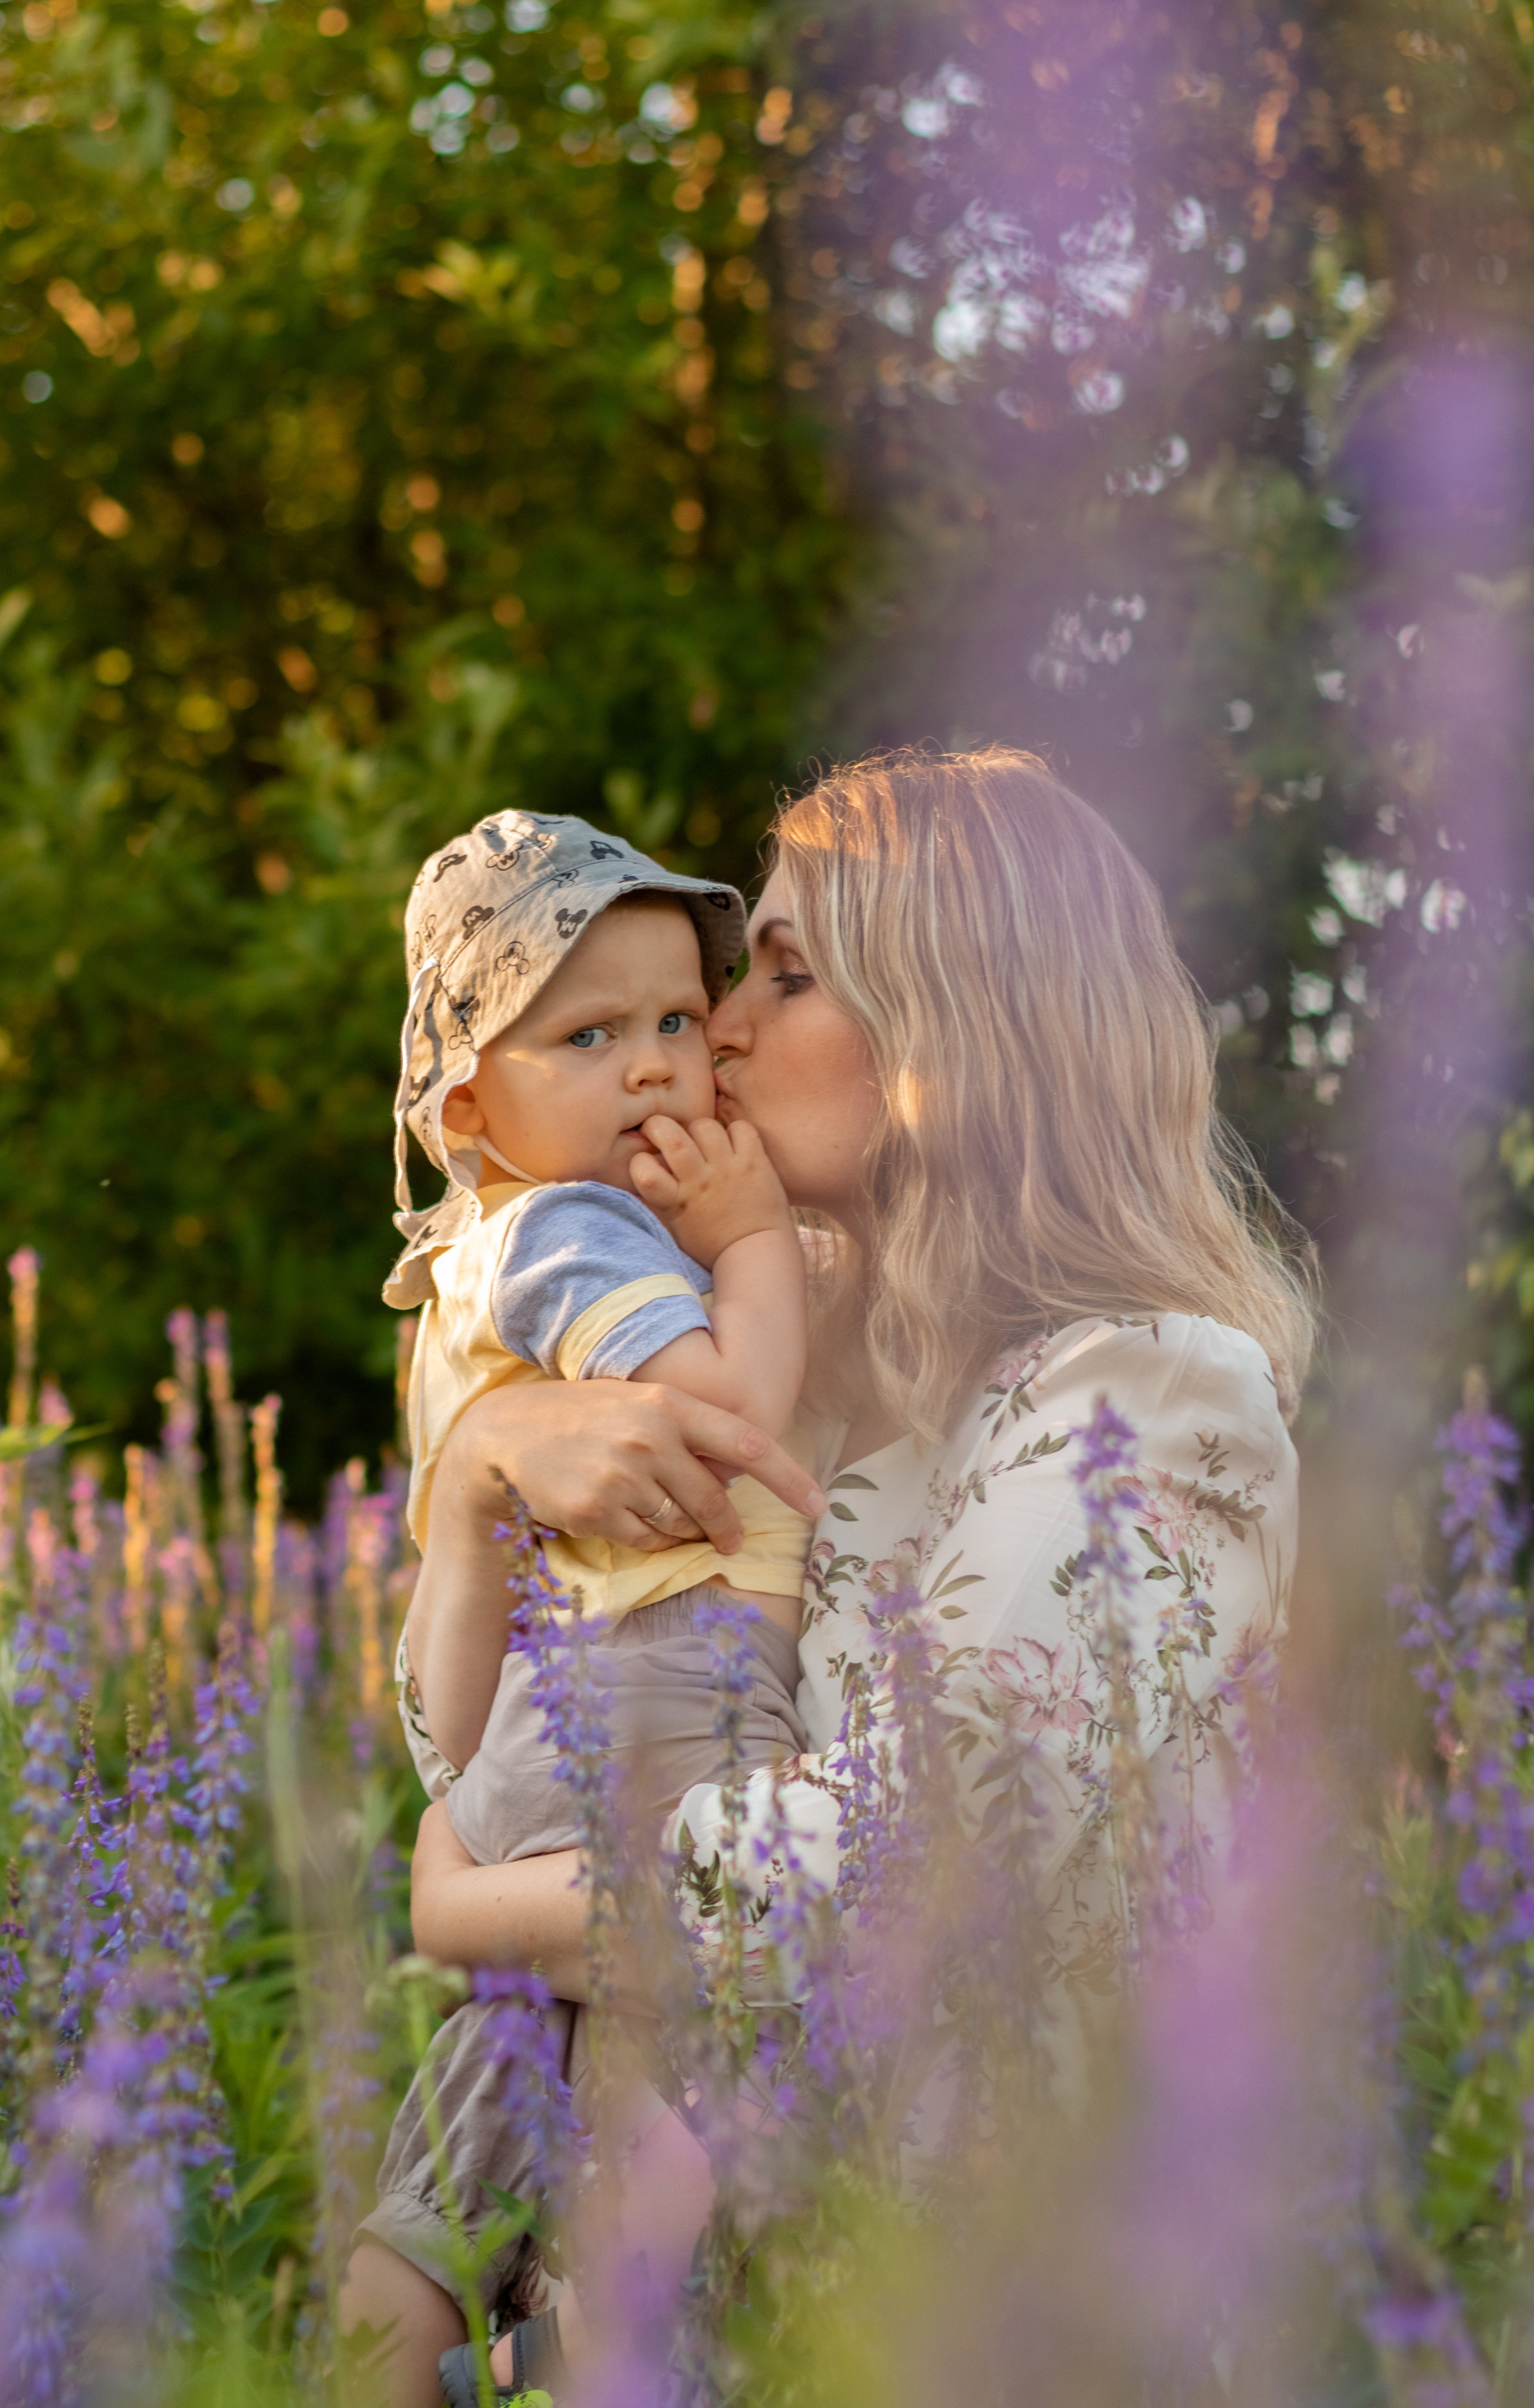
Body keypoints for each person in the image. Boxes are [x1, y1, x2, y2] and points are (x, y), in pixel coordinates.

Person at [340, 747, 1312, 2406]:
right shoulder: (767, 1365)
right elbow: (473, 1760)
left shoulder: (1148, 1402)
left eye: (778, 979)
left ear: (955, 1032)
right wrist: (481, 1479)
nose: (707, 1033)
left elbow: (877, 1876)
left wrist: (466, 1908)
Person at [356, 811, 830, 2402]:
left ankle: (399, 2323)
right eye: (591, 1033)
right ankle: (579, 2341)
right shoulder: (576, 1232)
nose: (656, 1066)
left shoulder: (491, 1248)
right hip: (643, 1683)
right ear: (473, 1103)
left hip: (527, 1723)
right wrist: (753, 1237)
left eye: (676, 1023)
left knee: (500, 2063)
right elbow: (734, 1417)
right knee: (655, 2039)